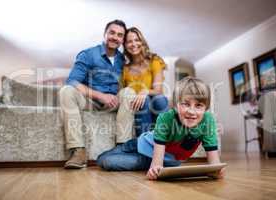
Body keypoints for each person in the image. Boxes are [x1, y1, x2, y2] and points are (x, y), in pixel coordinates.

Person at [97, 76, 225, 180]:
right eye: (186, 104)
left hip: (163, 160)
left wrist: (216, 171)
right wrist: (156, 167)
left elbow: (214, 161)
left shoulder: (208, 121)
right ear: (175, 106)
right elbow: (157, 163)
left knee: (109, 162)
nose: (192, 111)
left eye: (198, 106)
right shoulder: (165, 118)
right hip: (140, 145)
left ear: (205, 108)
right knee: (102, 159)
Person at [59, 19, 127, 169]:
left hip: (115, 103)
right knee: (66, 91)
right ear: (105, 34)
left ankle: (123, 148)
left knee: (129, 92)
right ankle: (78, 151)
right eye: (112, 32)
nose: (115, 37)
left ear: (122, 40)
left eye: (120, 35)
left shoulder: (123, 60)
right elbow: (72, 81)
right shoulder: (88, 54)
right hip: (91, 102)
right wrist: (101, 96)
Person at [115, 27, 168, 143]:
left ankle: (164, 139)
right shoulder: (125, 69)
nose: (133, 44)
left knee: (160, 99)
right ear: (125, 45)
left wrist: (144, 92)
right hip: (137, 107)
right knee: (144, 102)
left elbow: (158, 90)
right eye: (129, 41)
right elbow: (123, 93)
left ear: (142, 42)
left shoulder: (154, 60)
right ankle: (145, 143)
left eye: (136, 40)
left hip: (155, 102)